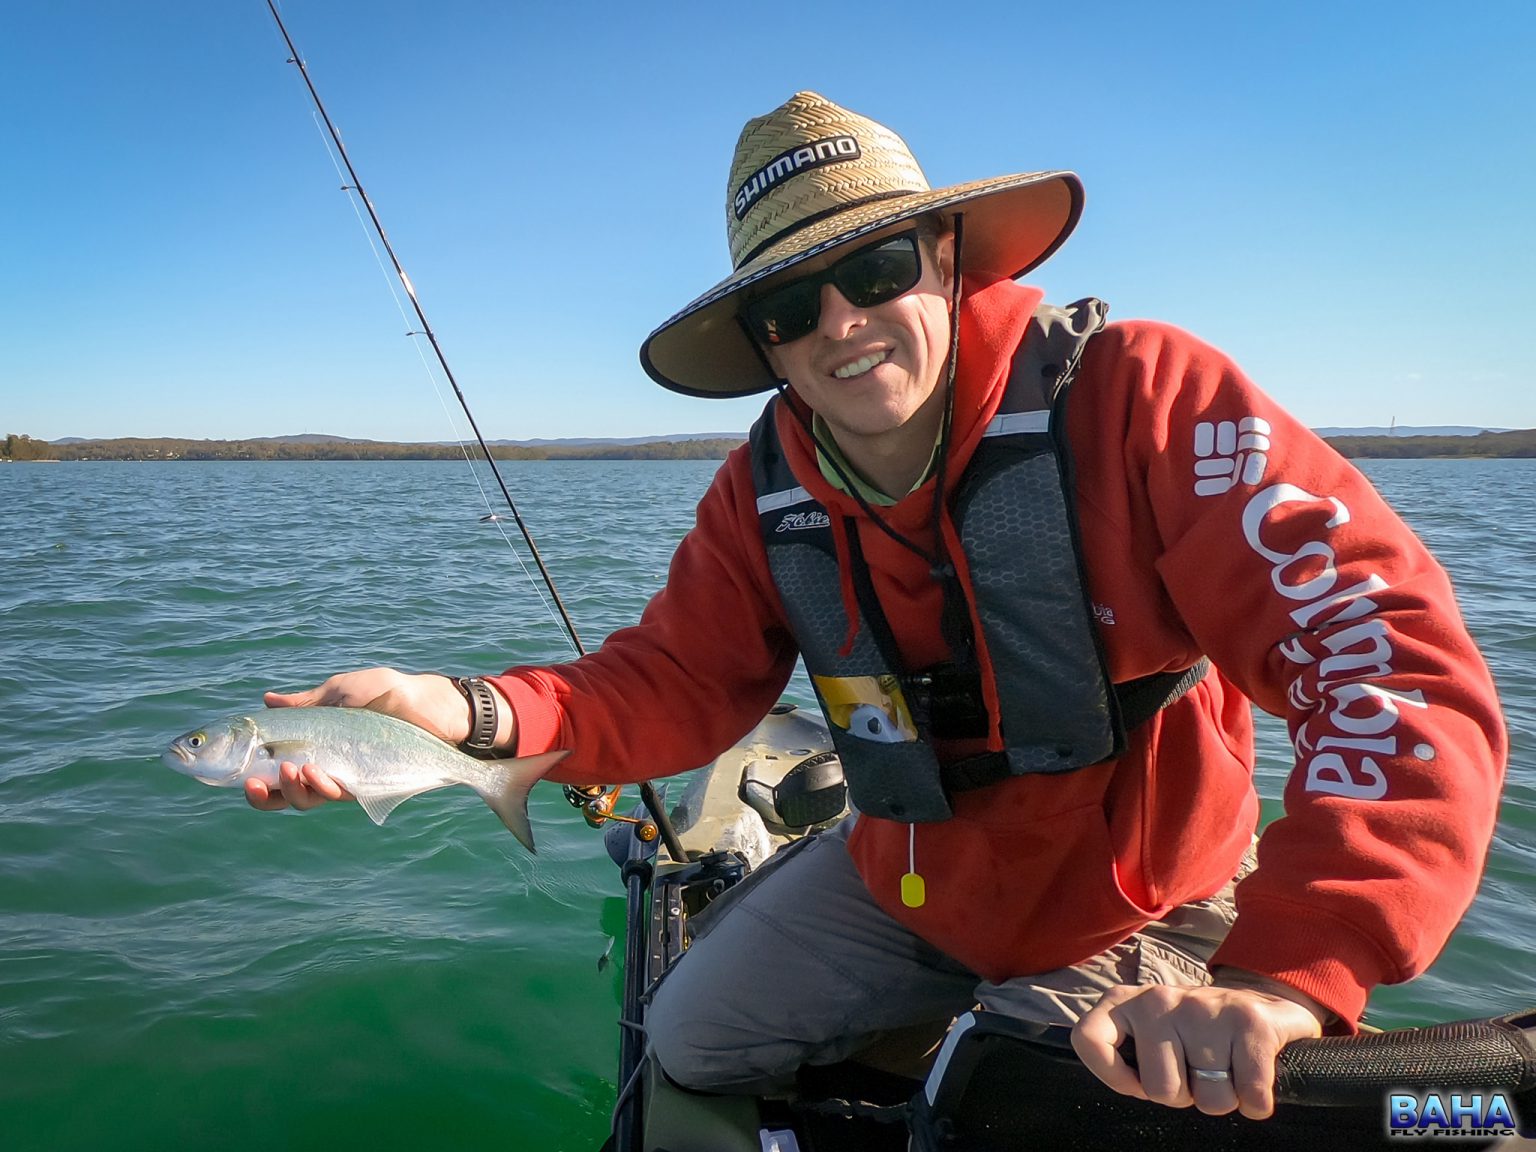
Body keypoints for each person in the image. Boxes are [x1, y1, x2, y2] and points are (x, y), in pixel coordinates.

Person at [249, 92, 1506, 1123]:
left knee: (1009, 1103)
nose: (842, 324)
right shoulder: (763, 493)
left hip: (1150, 898)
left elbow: (1384, 657)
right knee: (686, 1037)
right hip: (909, 883)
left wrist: (1287, 972)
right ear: (767, 347)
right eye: (793, 308)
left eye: (876, 267)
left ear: (947, 260)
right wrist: (458, 711)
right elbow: (667, 682)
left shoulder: (1147, 397)